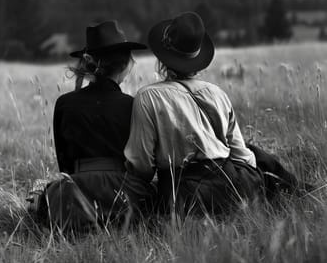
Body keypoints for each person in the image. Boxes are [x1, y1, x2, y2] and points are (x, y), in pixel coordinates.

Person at [124, 12, 311, 217]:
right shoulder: (217, 93)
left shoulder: (147, 97)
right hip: (233, 187)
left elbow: (141, 167)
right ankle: (301, 190)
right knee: (255, 152)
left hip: (182, 198)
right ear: (197, 57)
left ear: (162, 58)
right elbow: (242, 156)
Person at [38, 21, 156, 230]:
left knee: (43, 197)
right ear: (126, 66)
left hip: (74, 196)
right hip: (125, 195)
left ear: (89, 64)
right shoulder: (132, 104)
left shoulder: (65, 103)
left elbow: (65, 164)